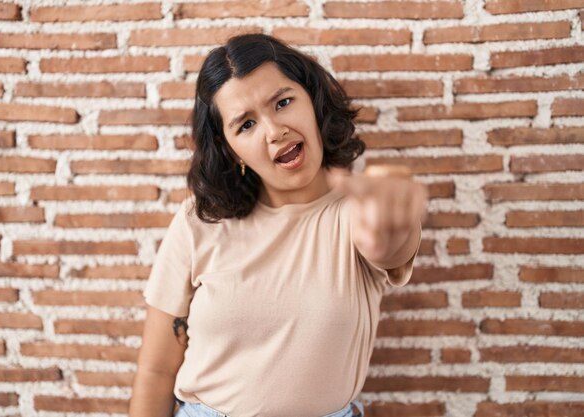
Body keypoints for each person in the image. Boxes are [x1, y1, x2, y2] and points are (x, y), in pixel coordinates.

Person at [129, 33, 427, 417]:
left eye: (283, 102)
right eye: (246, 124)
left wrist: (394, 225)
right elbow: (155, 370)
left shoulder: (359, 213)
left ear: (313, 102)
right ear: (229, 148)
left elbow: (390, 245)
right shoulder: (198, 221)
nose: (274, 131)